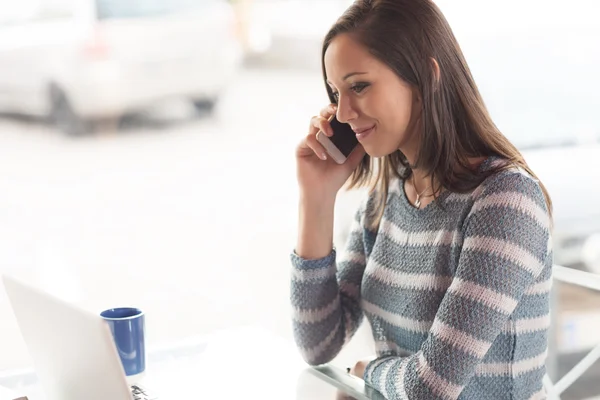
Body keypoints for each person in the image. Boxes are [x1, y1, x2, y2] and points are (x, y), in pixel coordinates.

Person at [289, 0, 553, 399]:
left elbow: (429, 388)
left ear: (426, 76)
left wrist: (369, 371)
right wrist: (316, 196)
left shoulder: (506, 203)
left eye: (359, 86)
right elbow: (317, 342)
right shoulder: (385, 201)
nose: (342, 114)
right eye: (334, 92)